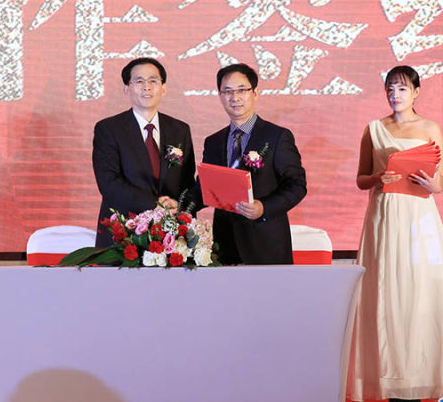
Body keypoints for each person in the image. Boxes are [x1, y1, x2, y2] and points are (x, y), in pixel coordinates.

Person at [347, 65, 443, 402]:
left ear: (416, 92)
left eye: (403, 89)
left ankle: (419, 379)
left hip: (419, 217)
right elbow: (361, 179)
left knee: (419, 292)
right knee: (387, 294)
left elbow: (442, 180)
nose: (395, 95)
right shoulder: (374, 129)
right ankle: (392, 381)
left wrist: (432, 183)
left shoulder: (429, 128)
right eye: (390, 89)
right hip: (384, 216)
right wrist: (378, 177)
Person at [190, 63, 306, 264]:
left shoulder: (277, 136)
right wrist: (179, 204)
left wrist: (263, 208)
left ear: (255, 93)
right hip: (225, 244)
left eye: (242, 90)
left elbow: (297, 185)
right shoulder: (214, 141)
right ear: (220, 96)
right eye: (227, 91)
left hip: (266, 244)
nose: (234, 97)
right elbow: (205, 188)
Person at [92, 58, 196, 247]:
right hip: (124, 234)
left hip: (170, 236)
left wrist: (181, 209)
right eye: (139, 81)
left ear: (163, 88)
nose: (147, 87)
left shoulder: (180, 130)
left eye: (153, 81)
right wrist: (155, 204)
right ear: (127, 88)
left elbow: (186, 182)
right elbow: (109, 183)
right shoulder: (109, 129)